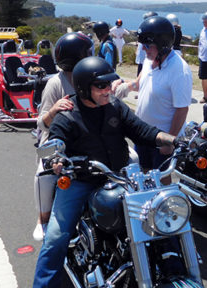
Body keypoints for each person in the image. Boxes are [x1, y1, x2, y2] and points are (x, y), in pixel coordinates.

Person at [32, 56, 176, 288]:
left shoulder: (115, 107)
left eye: (110, 84)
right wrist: (56, 159)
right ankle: (43, 284)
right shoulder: (68, 113)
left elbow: (143, 131)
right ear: (83, 88)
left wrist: (173, 140)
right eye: (101, 86)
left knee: (162, 217)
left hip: (121, 177)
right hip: (82, 180)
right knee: (56, 237)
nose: (108, 90)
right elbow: (55, 140)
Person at [33, 32, 93, 241]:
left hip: (86, 137)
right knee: (44, 175)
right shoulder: (55, 84)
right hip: (56, 139)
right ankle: (43, 218)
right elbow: (41, 123)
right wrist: (54, 110)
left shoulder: (91, 78)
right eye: (87, 53)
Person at [114, 16, 192, 173]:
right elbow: (139, 83)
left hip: (162, 137)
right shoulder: (150, 61)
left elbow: (182, 109)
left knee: (161, 179)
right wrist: (123, 88)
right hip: (143, 133)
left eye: (148, 45)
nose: (143, 49)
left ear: (163, 45)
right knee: (141, 175)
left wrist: (169, 140)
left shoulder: (179, 70)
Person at [135, 12, 157, 76]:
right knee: (140, 71)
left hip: (146, 56)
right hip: (143, 55)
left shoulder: (149, 31)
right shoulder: (145, 29)